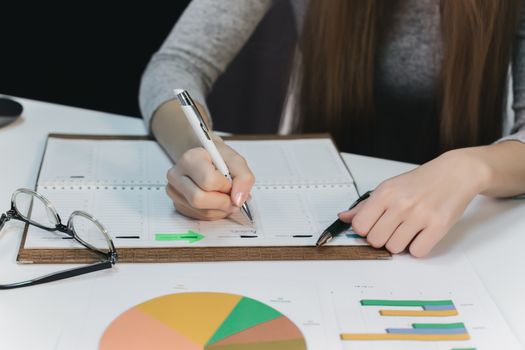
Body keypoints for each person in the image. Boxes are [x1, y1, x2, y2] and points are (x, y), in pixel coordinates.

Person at [139, 0, 525, 257]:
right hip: (331, 206)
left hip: (470, 230)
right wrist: (199, 152)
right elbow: (176, 64)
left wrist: (471, 168)